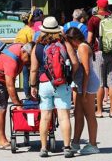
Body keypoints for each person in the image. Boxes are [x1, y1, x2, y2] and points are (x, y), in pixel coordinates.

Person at [30, 16, 79, 158]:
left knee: (45, 116)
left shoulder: (37, 46)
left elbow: (33, 69)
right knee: (64, 117)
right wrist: (69, 77)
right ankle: (67, 148)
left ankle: (44, 148)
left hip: (44, 83)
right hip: (62, 83)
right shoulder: (64, 43)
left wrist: (33, 85)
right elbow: (75, 62)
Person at [0, 41, 33, 150]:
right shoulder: (12, 60)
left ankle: (3, 138)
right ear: (23, 51)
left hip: (0, 80)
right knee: (0, 109)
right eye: (29, 57)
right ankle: (1, 140)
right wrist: (17, 104)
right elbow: (10, 86)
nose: (30, 61)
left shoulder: (20, 49)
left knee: (2, 108)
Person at [64, 27, 99, 155]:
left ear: (74, 39)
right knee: (78, 113)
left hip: (87, 84)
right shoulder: (81, 46)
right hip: (82, 84)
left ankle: (93, 144)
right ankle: (75, 142)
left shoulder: (82, 47)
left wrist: (83, 92)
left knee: (89, 114)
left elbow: (86, 71)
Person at [86, 0, 112, 118]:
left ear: (98, 6)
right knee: (111, 81)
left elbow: (90, 38)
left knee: (100, 83)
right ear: (108, 6)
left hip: (99, 52)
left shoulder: (93, 20)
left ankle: (99, 111)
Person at [15, 11, 34, 99]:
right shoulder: (30, 31)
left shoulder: (20, 31)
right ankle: (32, 94)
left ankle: (27, 95)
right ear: (29, 21)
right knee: (32, 75)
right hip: (29, 56)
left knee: (25, 77)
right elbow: (32, 45)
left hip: (21, 56)